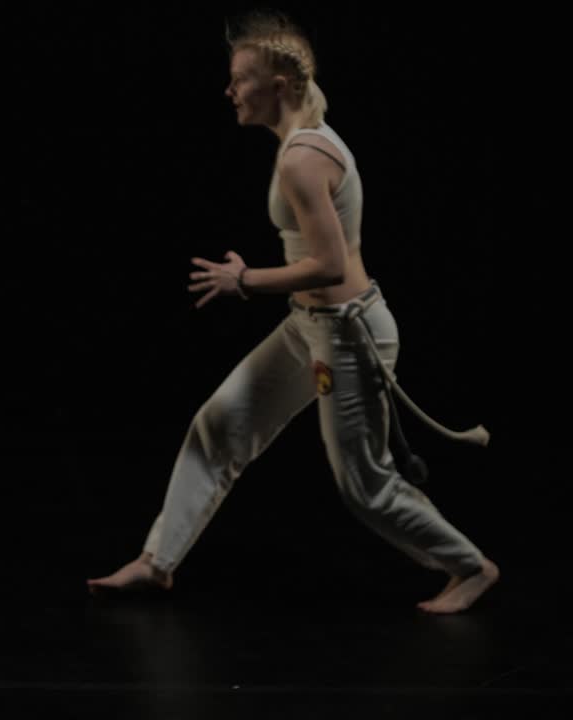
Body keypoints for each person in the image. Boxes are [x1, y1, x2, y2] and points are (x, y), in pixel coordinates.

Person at [86, 12, 498, 614]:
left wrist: (244, 279)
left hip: (348, 335)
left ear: (278, 85)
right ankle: (158, 562)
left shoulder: (302, 159)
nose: (229, 91)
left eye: (239, 79)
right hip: (310, 328)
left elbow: (330, 265)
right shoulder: (305, 140)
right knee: (220, 424)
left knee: (364, 486)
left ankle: (471, 566)